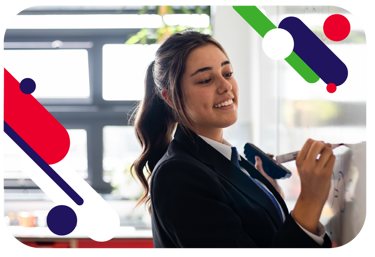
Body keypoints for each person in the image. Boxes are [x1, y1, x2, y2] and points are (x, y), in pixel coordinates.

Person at [129, 29, 334, 250]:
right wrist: (310, 201)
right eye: (206, 79)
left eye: (227, 73)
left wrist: (270, 195)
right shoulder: (177, 174)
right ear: (171, 98)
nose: (226, 86)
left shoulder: (231, 161)